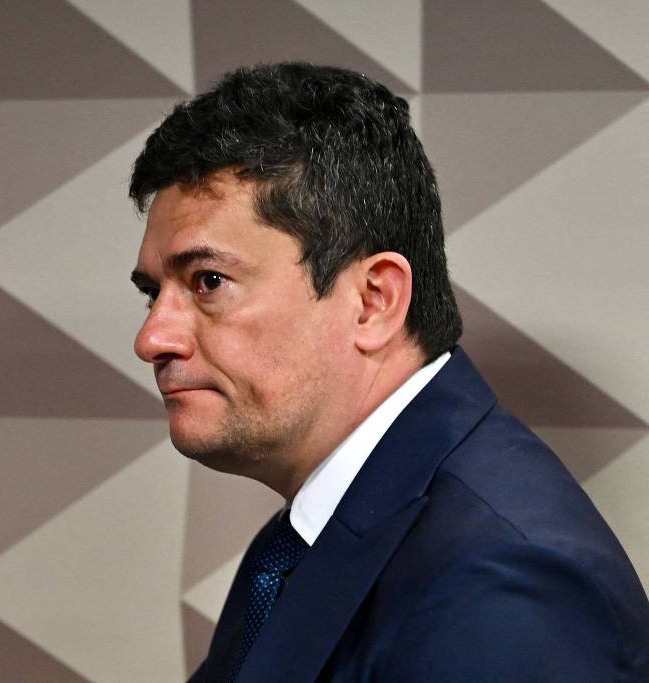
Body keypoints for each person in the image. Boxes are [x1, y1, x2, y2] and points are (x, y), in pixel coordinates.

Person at [127, 62, 649, 682]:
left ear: (374, 301)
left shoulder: (500, 582)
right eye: (152, 293)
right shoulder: (305, 535)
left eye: (209, 281)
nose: (151, 338)